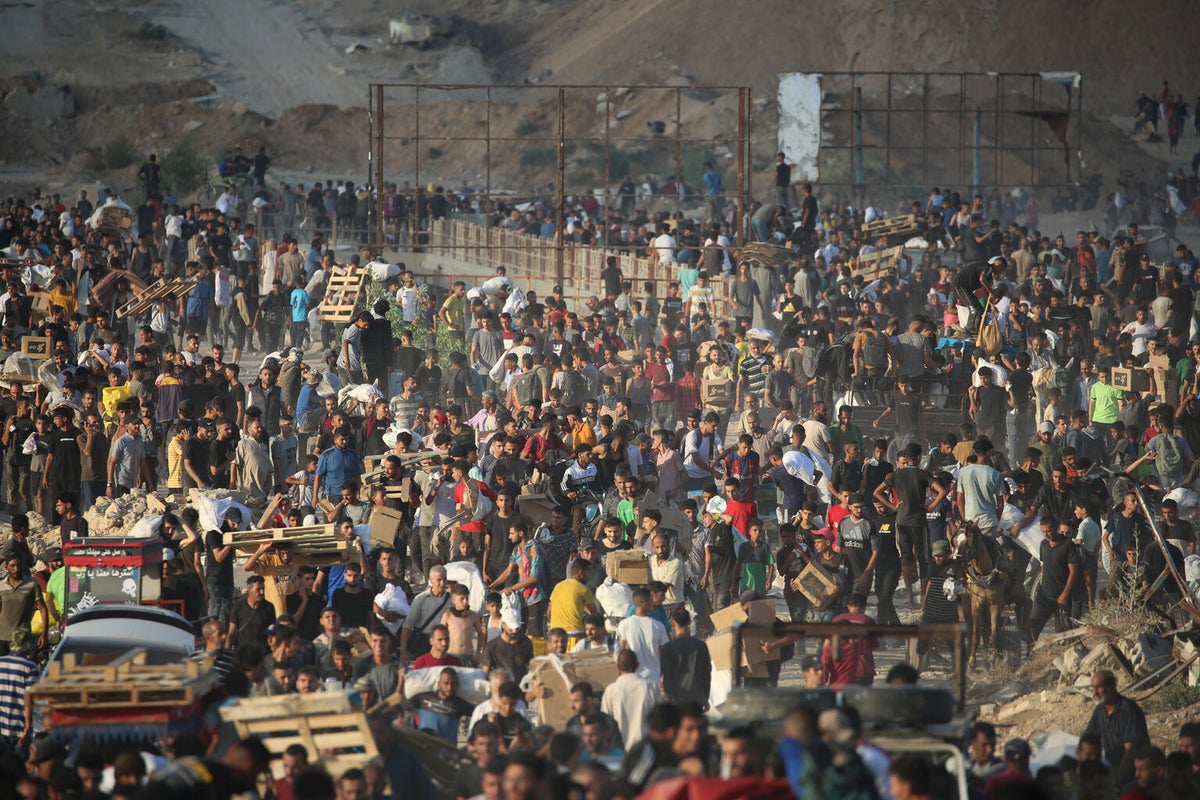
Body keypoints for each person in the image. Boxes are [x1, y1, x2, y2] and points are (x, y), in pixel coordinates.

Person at [1084, 668, 1150, 785]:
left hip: (1135, 775)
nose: (1095, 692)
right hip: (1113, 772)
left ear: (1112, 685)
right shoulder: (1100, 711)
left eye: (1099, 687)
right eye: (1093, 688)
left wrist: (1119, 777)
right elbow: (1089, 740)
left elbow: (1131, 750)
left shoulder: (1128, 709)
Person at [601, 650, 658, 751]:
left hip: (620, 751)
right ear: (637, 665)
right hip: (647, 749)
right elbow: (661, 717)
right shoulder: (651, 687)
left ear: (618, 667)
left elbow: (605, 721)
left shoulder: (611, 691)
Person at [659, 608, 711, 707]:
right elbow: (706, 674)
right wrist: (705, 698)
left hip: (674, 699)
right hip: (696, 699)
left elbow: (666, 676)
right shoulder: (700, 646)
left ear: (673, 624)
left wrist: (668, 699)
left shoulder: (667, 648)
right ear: (689, 622)